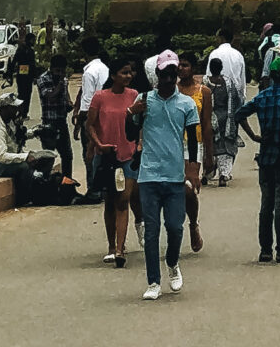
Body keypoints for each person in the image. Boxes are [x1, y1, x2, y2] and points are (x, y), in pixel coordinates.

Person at [127, 52, 200, 299]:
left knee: (174, 227)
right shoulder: (144, 100)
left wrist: (193, 168)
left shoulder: (187, 104)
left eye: (172, 74)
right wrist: (131, 112)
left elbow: (192, 140)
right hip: (149, 174)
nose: (169, 79)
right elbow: (130, 134)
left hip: (174, 175)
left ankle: (172, 263)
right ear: (157, 75)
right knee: (152, 230)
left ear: (177, 75)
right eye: (164, 74)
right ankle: (153, 282)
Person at [238, 48, 280, 265]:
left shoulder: (262, 97)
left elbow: (239, 114)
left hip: (266, 156)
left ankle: (265, 250)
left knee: (266, 204)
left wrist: (255, 136)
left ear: (271, 75)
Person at [86, 61, 137, 264]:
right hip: (106, 156)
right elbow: (90, 124)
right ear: (114, 75)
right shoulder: (100, 97)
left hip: (129, 155)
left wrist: (139, 144)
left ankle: (120, 248)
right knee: (109, 201)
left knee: (124, 200)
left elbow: (140, 122)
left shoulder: (134, 96)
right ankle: (111, 244)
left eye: (130, 72)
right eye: (124, 72)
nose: (128, 76)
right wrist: (98, 144)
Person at [174, 54, 215, 246]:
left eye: (185, 65)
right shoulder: (170, 90)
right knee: (174, 188)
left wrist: (209, 154)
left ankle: (193, 223)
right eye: (179, 66)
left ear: (193, 67)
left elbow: (207, 124)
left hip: (194, 144)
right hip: (172, 145)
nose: (182, 69)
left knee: (188, 189)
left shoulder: (203, 92)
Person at [205, 29, 247, 174]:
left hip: (214, 98)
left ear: (221, 38)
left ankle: (212, 166)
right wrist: (241, 100)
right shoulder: (238, 55)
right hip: (233, 100)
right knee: (229, 136)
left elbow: (207, 77)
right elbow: (242, 80)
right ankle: (226, 171)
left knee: (213, 134)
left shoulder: (214, 54)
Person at [35, 50, 76, 185]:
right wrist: (60, 84)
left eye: (62, 71)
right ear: (52, 69)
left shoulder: (63, 80)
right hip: (49, 122)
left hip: (61, 121)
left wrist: (70, 104)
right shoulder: (43, 79)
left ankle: (67, 182)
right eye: (57, 71)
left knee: (67, 155)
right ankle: (44, 183)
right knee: (48, 155)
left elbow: (66, 97)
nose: (60, 74)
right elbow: (50, 97)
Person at [204, 57, 240, 186]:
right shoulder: (228, 83)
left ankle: (207, 173)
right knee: (226, 148)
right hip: (226, 121)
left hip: (208, 119)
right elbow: (237, 101)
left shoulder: (204, 83)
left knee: (209, 146)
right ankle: (223, 175)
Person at [12, 28, 38, 111]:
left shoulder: (21, 49)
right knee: (26, 94)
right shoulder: (29, 50)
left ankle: (21, 111)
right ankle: (23, 112)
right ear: (30, 40)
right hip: (27, 76)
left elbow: (14, 61)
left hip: (21, 75)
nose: (34, 42)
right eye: (33, 40)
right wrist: (34, 76)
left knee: (22, 94)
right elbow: (32, 64)